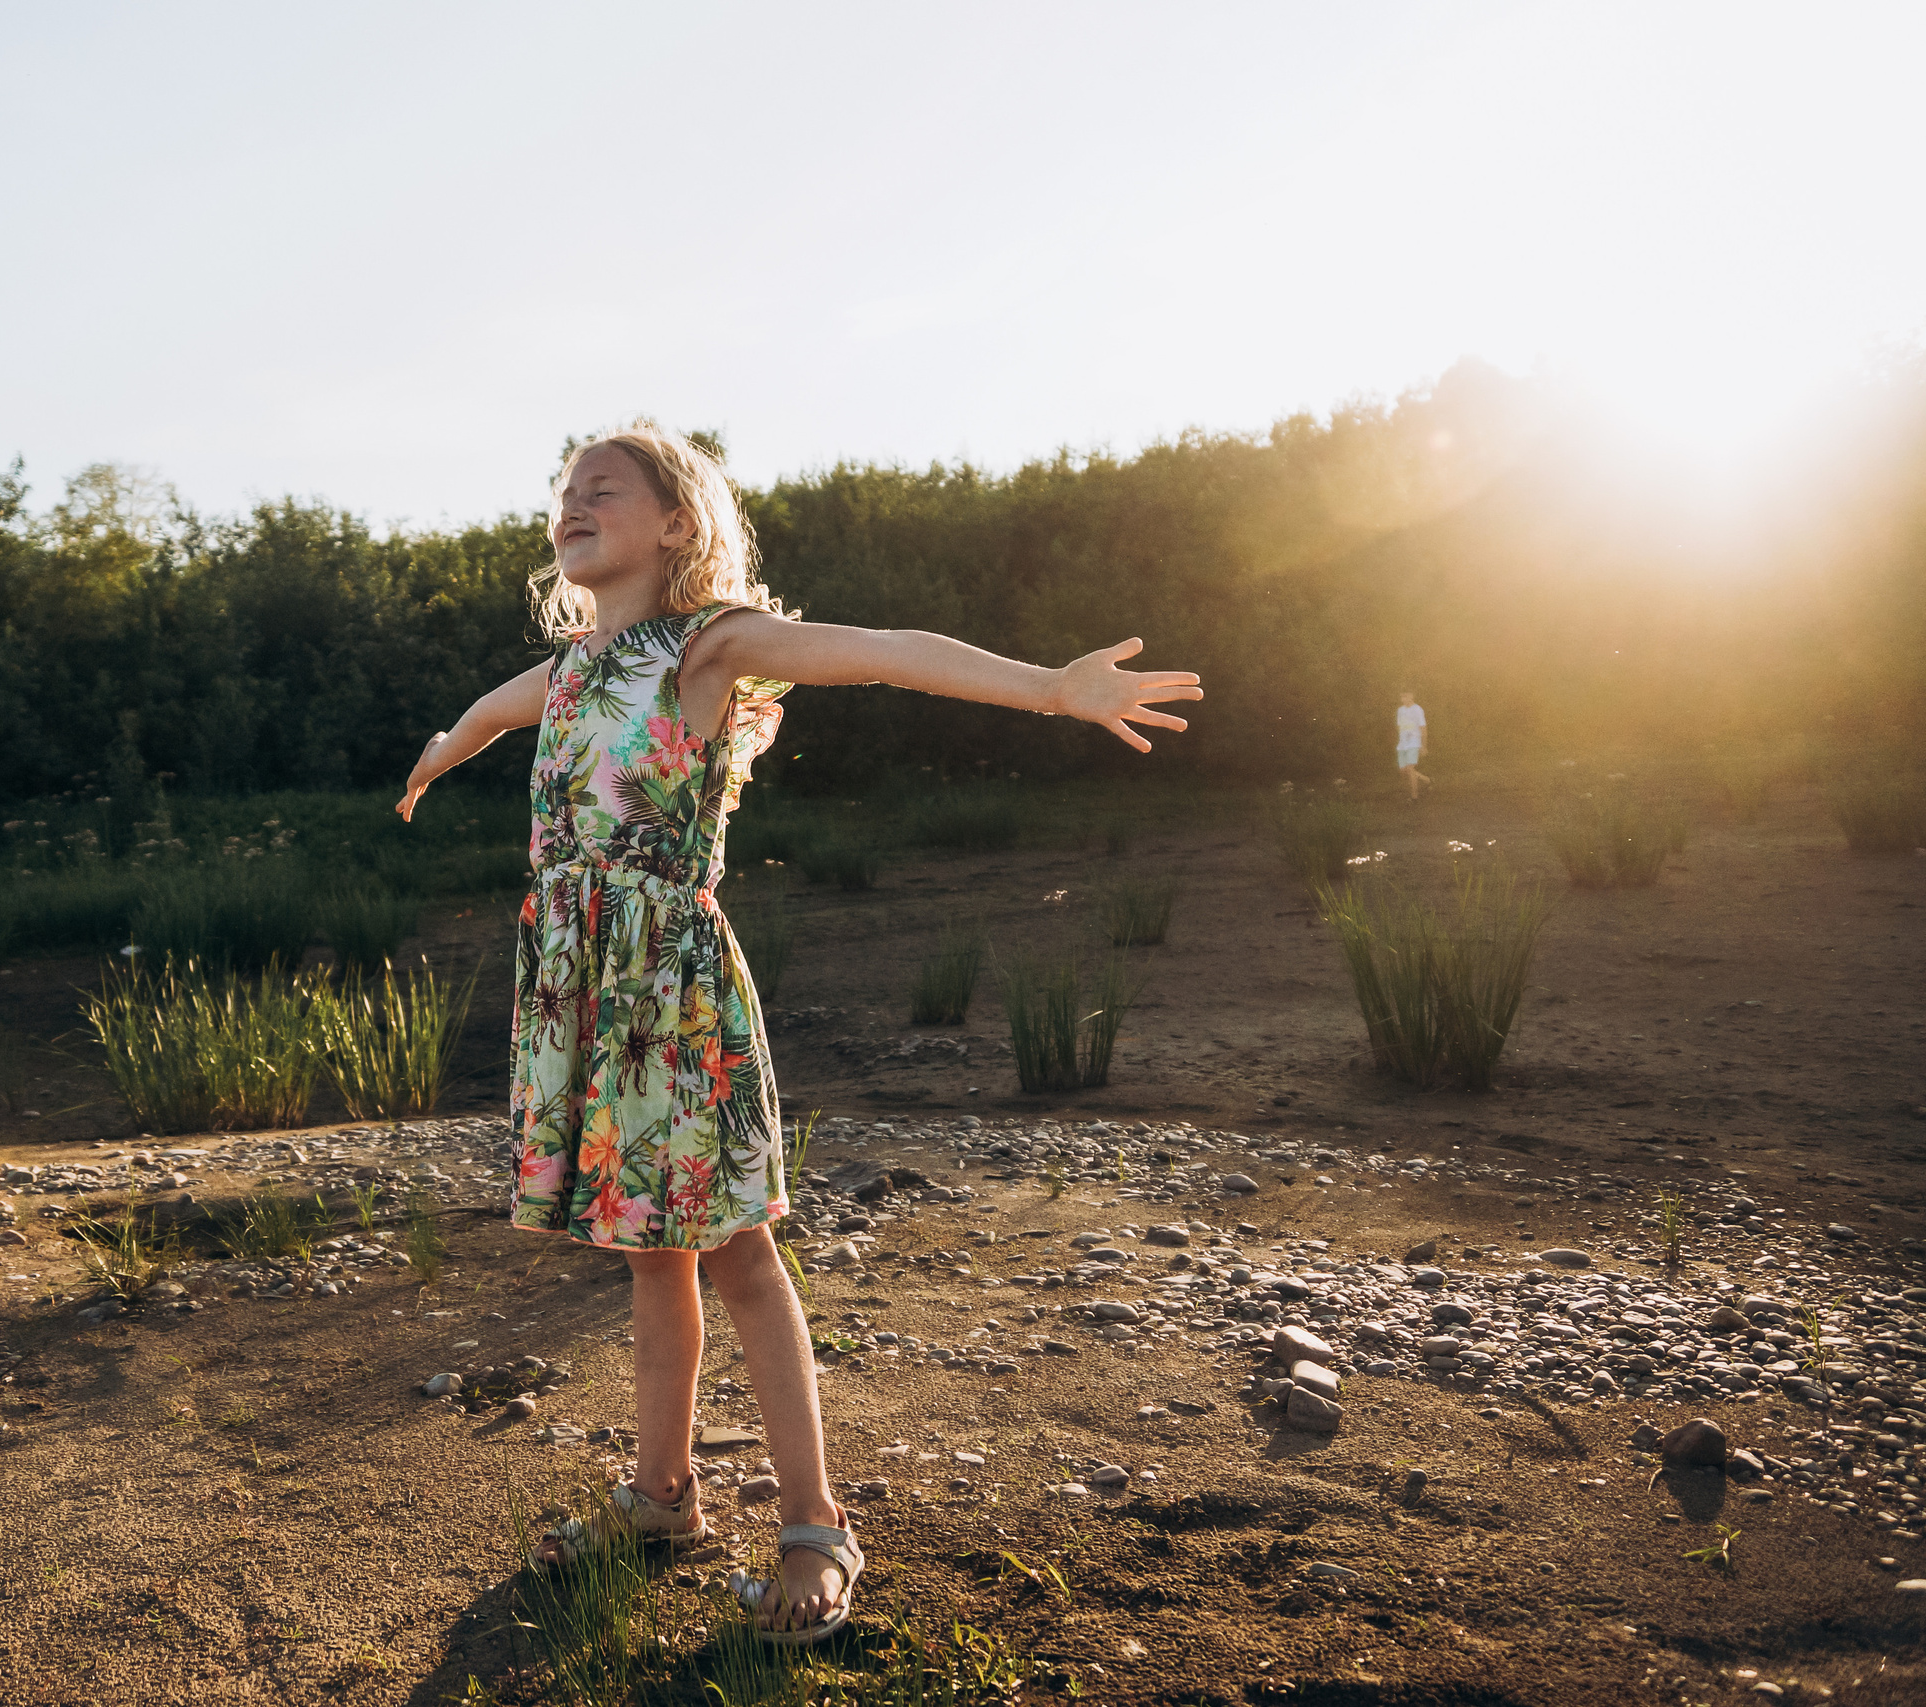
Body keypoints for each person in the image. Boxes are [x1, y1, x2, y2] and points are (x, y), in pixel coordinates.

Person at [394, 422, 1201, 1643]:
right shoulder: (563, 674)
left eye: (602, 489)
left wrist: (1048, 688)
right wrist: (445, 749)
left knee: (735, 1253)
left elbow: (883, 657)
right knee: (649, 1251)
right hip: (583, 992)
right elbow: (490, 711)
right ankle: (661, 1498)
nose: (573, 504)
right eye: (563, 492)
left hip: (668, 984)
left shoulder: (709, 645)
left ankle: (816, 1526)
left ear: (673, 525)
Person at [1396, 690, 1430, 799]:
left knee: (1410, 768)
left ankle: (1414, 798)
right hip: (1403, 743)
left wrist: (1423, 745)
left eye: (1405, 697)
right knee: (1404, 770)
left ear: (1411, 696)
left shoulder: (1418, 710)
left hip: (1414, 742)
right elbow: (1399, 726)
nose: (1402, 699)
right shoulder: (1400, 710)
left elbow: (1423, 728)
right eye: (1401, 697)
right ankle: (1427, 780)